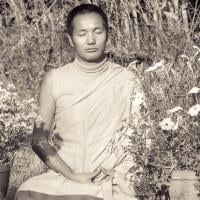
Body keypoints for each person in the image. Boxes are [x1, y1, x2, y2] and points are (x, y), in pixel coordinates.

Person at [15, 3, 144, 200]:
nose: (91, 40)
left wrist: (116, 170)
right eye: (82, 33)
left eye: (97, 31)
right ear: (71, 39)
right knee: (26, 193)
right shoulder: (55, 79)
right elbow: (38, 139)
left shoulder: (126, 79)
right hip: (64, 176)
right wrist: (72, 175)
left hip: (109, 177)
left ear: (107, 34)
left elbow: (143, 137)